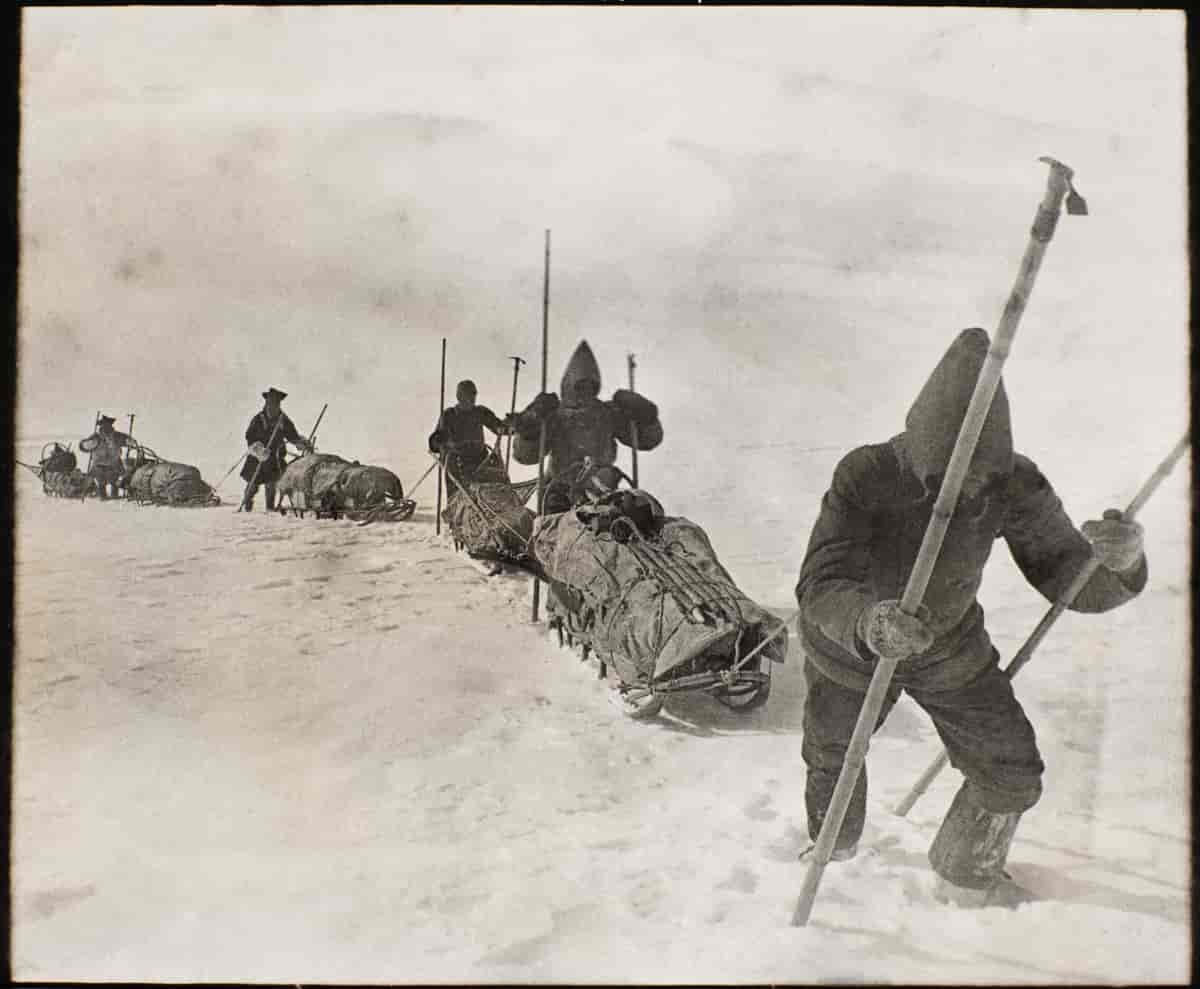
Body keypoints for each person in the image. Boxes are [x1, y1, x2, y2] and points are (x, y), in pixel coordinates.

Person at [794, 327, 1147, 907]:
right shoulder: (867, 473)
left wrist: (1119, 561)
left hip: (949, 648)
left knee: (1011, 767)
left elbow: (1071, 580)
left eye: (985, 478)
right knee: (833, 756)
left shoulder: (1012, 482)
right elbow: (823, 582)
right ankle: (834, 854)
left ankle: (965, 871)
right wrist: (869, 624)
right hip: (852, 648)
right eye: (956, 481)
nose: (974, 492)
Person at [511, 340, 663, 512]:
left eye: (590, 386)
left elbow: (647, 441)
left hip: (602, 489)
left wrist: (647, 417)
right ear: (569, 386)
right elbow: (524, 456)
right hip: (559, 490)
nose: (585, 391)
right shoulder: (554, 415)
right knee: (554, 532)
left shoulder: (608, 413)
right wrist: (530, 428)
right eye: (580, 386)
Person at [428, 380, 511, 495]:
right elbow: (434, 444)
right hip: (458, 465)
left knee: (494, 487)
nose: (472, 399)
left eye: (473, 395)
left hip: (480, 462)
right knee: (459, 499)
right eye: (468, 395)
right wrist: (440, 441)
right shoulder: (449, 415)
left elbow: (499, 427)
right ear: (459, 397)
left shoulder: (480, 412)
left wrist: (510, 426)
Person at [240, 387, 312, 511]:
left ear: (279, 404)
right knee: (252, 483)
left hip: (274, 458)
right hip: (257, 457)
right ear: (266, 403)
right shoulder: (258, 419)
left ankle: (270, 507)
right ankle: (247, 505)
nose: (272, 406)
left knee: (272, 483)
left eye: (275, 403)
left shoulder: (283, 420)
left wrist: (301, 443)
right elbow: (249, 436)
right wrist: (258, 449)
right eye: (270, 403)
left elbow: (292, 435)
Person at [79, 414, 132, 499]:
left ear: (111, 425)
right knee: (101, 482)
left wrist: (129, 441)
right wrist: (86, 445)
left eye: (108, 425)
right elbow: (83, 446)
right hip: (99, 465)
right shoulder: (95, 437)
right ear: (101, 426)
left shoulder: (117, 436)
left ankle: (114, 495)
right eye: (104, 425)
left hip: (114, 464)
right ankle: (102, 496)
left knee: (114, 481)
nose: (106, 427)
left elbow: (127, 440)